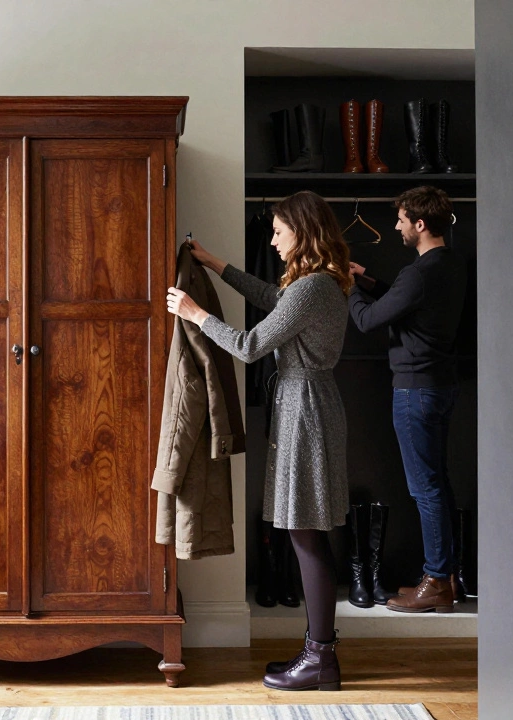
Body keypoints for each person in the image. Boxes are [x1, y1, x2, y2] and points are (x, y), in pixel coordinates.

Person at [166, 190, 352, 691]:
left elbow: (249, 347)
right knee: (306, 533)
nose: (272, 240)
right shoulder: (316, 284)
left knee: (305, 534)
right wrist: (214, 262)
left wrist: (195, 313)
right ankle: (319, 654)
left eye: (278, 231)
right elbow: (271, 298)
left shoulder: (312, 287)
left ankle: (320, 660)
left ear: (302, 231)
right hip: (309, 405)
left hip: (305, 411)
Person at [346, 185, 467, 613]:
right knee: (438, 483)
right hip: (441, 386)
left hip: (415, 390)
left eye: (400, 220)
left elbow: (366, 321)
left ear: (419, 224)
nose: (395, 226)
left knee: (425, 489)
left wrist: (349, 288)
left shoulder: (417, 273)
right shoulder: (448, 265)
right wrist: (369, 281)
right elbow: (408, 306)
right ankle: (447, 579)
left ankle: (435, 581)